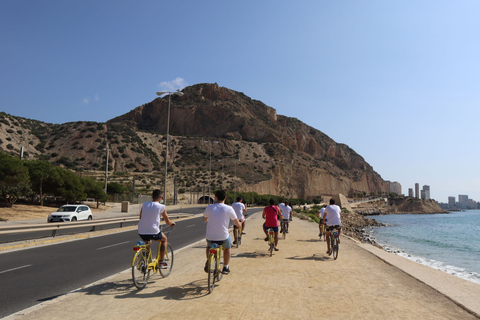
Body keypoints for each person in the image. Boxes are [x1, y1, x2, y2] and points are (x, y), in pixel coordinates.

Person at [203, 190, 242, 275]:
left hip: (210, 237)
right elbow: (236, 222)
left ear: (216, 198)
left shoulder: (209, 207)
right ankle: (226, 267)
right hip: (223, 237)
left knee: (209, 246)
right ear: (225, 198)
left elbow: (204, 219)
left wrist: (209, 219)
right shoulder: (229, 208)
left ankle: (208, 261)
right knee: (227, 247)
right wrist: (240, 224)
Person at [138, 189, 176, 268]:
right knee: (164, 239)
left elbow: (140, 217)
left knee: (148, 241)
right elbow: (167, 221)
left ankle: (144, 260)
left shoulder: (145, 204)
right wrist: (171, 223)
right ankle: (161, 262)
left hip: (141, 230)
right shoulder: (161, 206)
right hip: (153, 231)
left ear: (152, 197)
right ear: (160, 198)